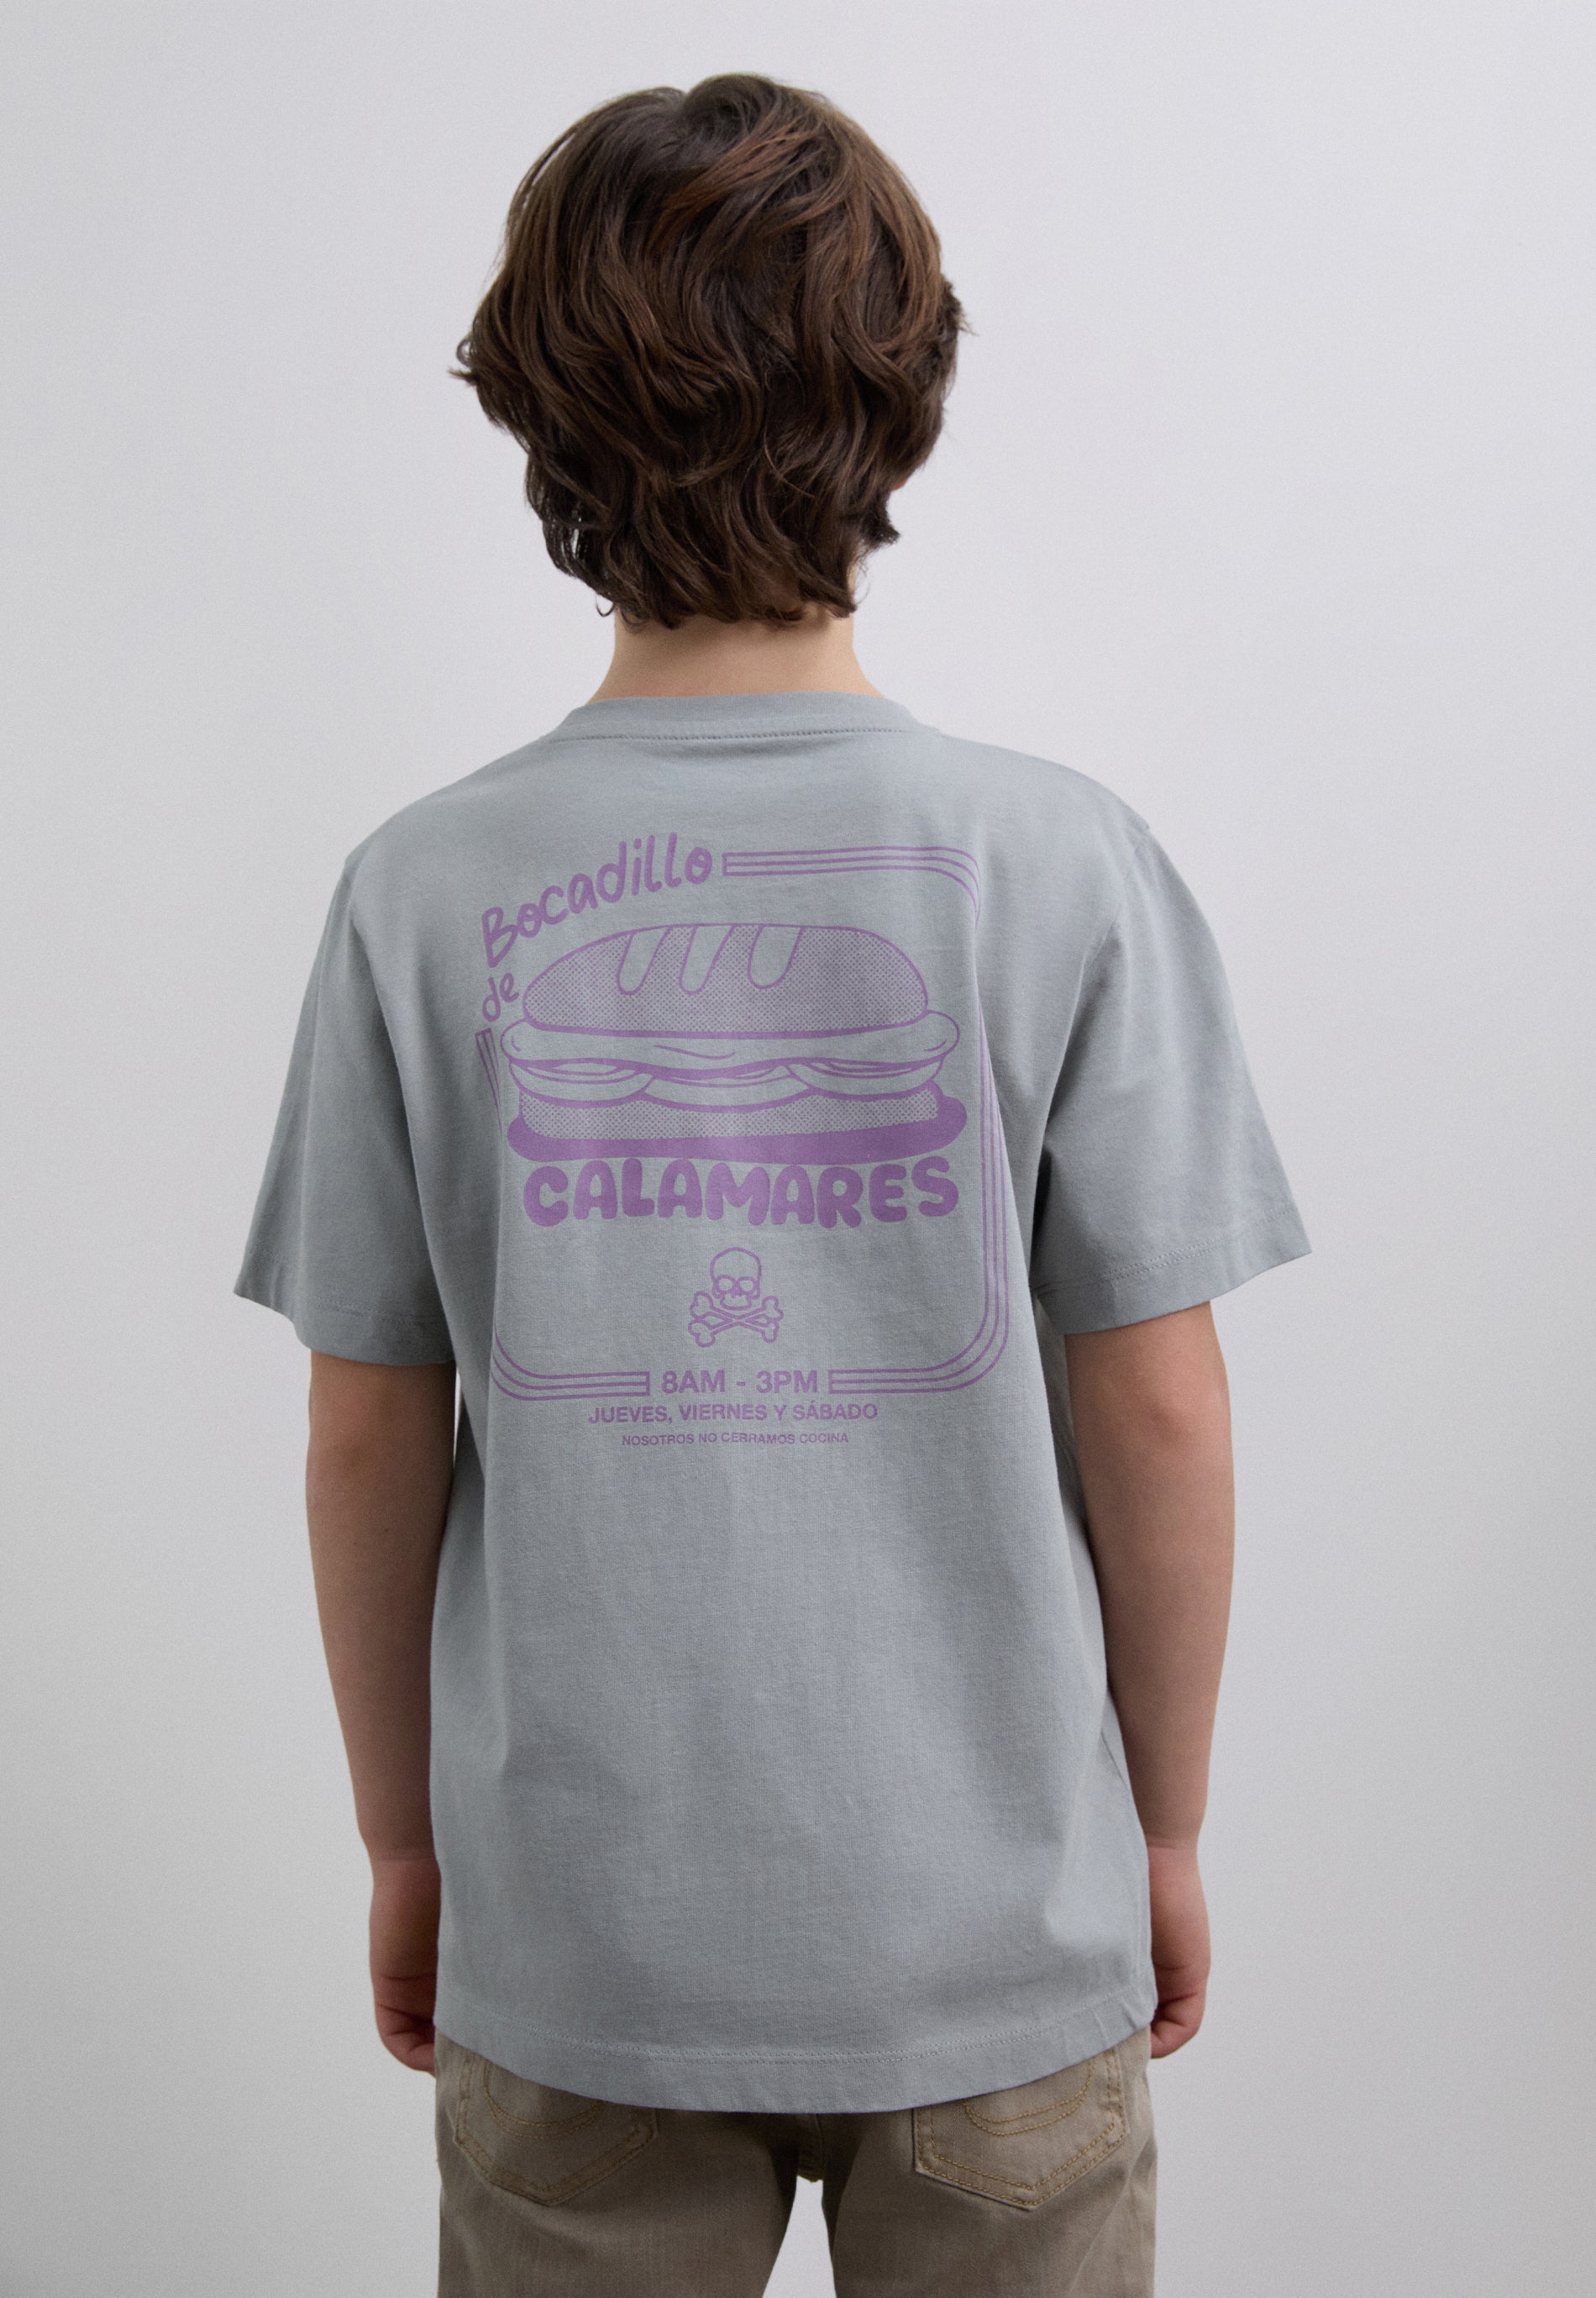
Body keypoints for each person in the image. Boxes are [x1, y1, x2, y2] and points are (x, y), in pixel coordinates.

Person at [235, 71, 1310, 2297]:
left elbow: (364, 1433)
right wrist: (1166, 1823)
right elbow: (1160, 1405)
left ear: (534, 418)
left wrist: (405, 1849)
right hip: (998, 1923)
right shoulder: (1062, 861)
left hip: (580, 1942)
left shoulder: (419, 890)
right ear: (902, 397)